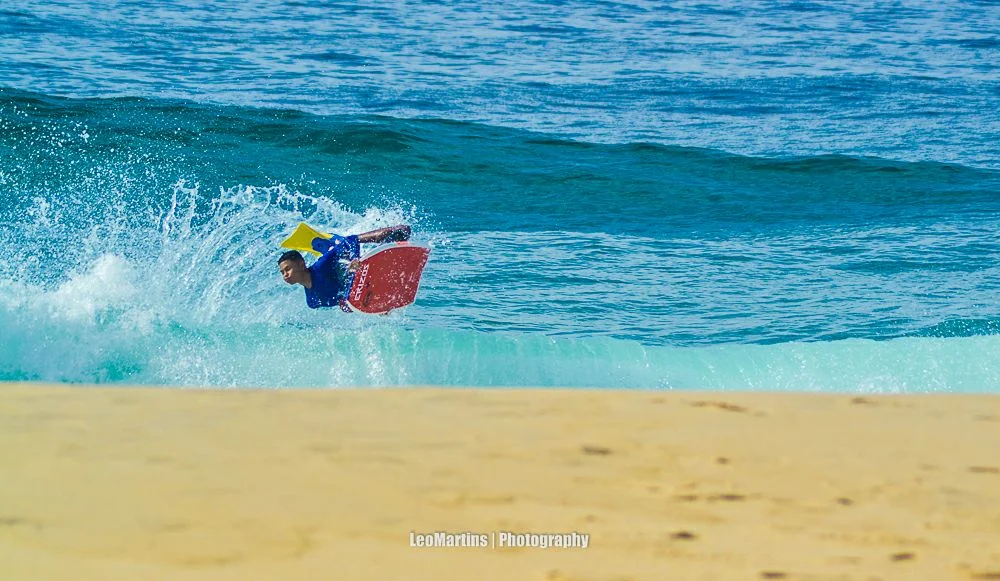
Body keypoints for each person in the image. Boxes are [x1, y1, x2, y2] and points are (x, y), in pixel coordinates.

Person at [278, 224, 411, 311]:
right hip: (342, 275)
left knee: (348, 241)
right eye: (282, 272)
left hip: (339, 253)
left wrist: (354, 258)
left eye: (287, 269)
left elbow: (348, 242)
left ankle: (393, 232)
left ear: (301, 263)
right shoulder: (312, 301)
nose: (285, 275)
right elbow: (342, 301)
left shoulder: (321, 266)